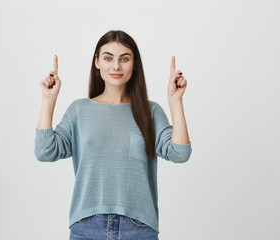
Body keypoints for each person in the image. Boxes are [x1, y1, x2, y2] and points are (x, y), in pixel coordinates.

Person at [34, 30, 192, 240]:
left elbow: (180, 153)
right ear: (97, 62)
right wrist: (48, 99)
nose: (116, 66)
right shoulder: (79, 110)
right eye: (108, 58)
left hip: (138, 228)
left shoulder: (150, 111)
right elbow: (45, 151)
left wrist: (175, 101)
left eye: (124, 59)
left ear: (134, 64)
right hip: (87, 227)